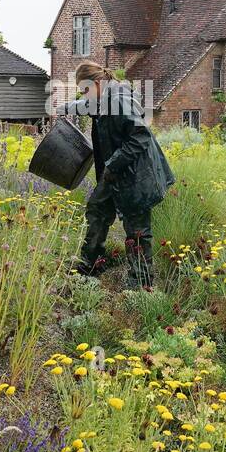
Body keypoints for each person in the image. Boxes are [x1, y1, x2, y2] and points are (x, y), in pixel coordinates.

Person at [62, 60, 175, 289]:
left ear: (96, 83)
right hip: (115, 171)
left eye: (85, 90)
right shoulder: (101, 99)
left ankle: (140, 285)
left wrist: (113, 165)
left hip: (135, 174)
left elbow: (140, 137)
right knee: (97, 210)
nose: (84, 96)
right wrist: (63, 109)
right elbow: (83, 106)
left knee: (137, 231)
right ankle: (88, 268)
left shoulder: (120, 99)